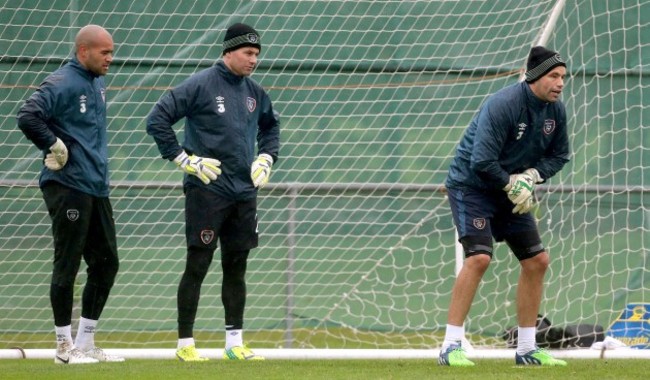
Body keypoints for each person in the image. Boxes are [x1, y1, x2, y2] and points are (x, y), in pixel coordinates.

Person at [146, 22, 280, 362]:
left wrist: (266, 156)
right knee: (198, 264)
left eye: (257, 55)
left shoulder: (255, 93)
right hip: (207, 190)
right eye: (248, 53)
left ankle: (234, 343)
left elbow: (270, 126)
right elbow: (157, 119)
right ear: (228, 52)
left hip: (243, 192)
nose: (253, 60)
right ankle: (185, 344)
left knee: (237, 266)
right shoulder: (200, 84)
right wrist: (183, 159)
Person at [439, 46, 570, 367]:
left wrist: (531, 176)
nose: (560, 83)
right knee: (479, 258)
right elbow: (481, 161)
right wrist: (512, 183)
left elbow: (559, 155)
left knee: (538, 260)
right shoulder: (503, 105)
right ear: (535, 77)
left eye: (563, 77)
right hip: (472, 187)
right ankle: (450, 347)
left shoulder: (557, 112)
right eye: (554, 76)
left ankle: (527, 349)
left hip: (510, 190)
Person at [17, 25, 124, 364]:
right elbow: (28, 115)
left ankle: (86, 342)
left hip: (95, 185)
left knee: (107, 263)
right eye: (104, 52)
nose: (111, 58)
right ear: (83, 52)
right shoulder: (62, 82)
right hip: (67, 186)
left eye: (112, 51)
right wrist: (54, 144)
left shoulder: (97, 82)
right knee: (68, 263)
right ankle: (63, 347)